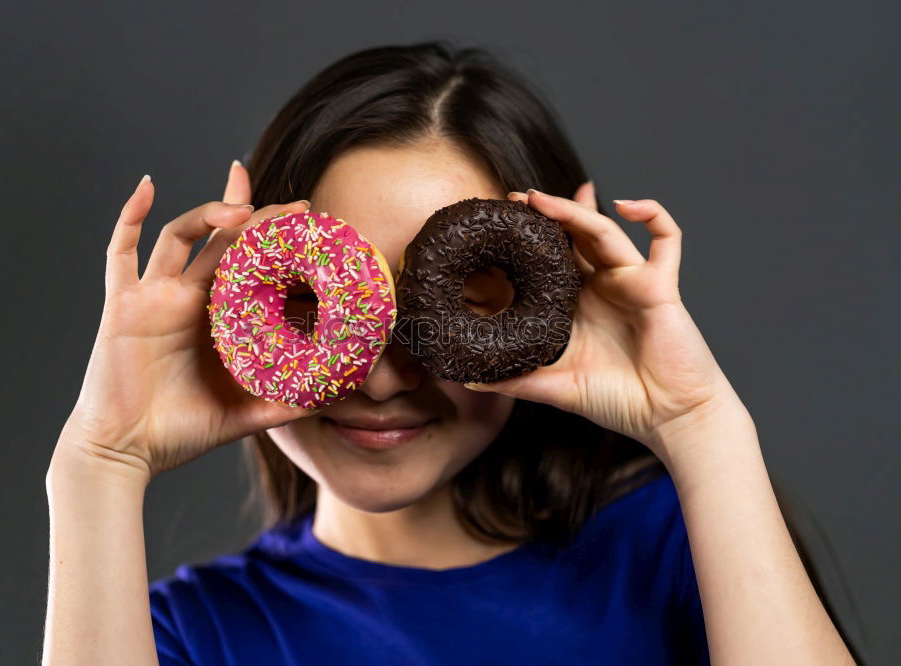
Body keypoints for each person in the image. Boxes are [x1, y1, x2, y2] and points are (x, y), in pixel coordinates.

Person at [42, 41, 860, 665]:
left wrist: (701, 423)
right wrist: (100, 462)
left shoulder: (671, 549)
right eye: (324, 305)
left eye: (460, 301)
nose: (384, 375)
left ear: (553, 296)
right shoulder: (185, 634)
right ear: (237, 298)